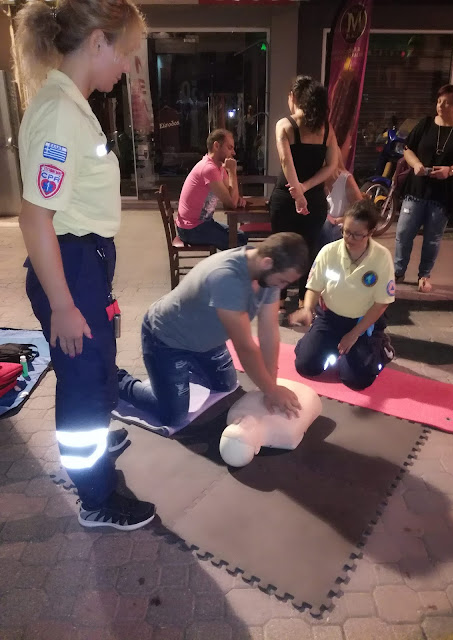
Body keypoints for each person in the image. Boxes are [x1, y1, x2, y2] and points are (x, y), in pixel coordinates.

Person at [15, 0, 155, 530]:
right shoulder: (60, 113)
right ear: (98, 42)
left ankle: (95, 437)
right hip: (71, 264)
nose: (127, 67)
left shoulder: (71, 105)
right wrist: (63, 305)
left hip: (82, 261)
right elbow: (35, 217)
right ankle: (96, 497)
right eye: (126, 53)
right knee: (82, 380)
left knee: (94, 369)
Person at [117, 233, 310, 425]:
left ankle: (183, 371)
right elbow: (245, 347)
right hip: (167, 340)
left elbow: (269, 333)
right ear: (267, 262)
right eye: (283, 281)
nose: (282, 287)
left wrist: (271, 385)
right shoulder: (227, 277)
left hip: (206, 341)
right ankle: (118, 381)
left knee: (226, 386)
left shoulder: (267, 274)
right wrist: (271, 391)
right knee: (173, 417)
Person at [291, 200, 396, 391]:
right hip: (330, 318)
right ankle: (319, 343)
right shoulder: (329, 251)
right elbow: (314, 287)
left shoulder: (382, 257)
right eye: (346, 231)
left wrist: (354, 334)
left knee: (356, 380)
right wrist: (307, 309)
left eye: (357, 234)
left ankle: (380, 346)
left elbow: (382, 303)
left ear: (370, 232)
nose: (349, 238)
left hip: (362, 323)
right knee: (306, 366)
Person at [394, 84, 453, 293]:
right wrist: (416, 165)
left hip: (444, 193)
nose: (441, 106)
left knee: (432, 238)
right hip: (417, 188)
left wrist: (450, 170)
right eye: (439, 101)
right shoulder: (425, 124)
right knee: (404, 231)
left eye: (447, 103)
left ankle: (424, 275)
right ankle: (398, 271)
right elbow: (407, 149)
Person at [270, 75, 338, 312]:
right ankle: (303, 300)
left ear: (294, 97)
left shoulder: (284, 125)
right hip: (315, 199)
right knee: (309, 248)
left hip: (285, 198)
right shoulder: (326, 129)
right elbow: (332, 166)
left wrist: (298, 193)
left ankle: (278, 299)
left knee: (281, 247)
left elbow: (285, 162)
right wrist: (306, 189)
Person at [175, 129, 247, 250]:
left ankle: (227, 259)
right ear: (216, 146)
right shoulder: (209, 169)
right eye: (229, 147)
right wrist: (232, 172)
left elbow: (230, 196)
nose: (233, 152)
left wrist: (237, 198)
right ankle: (225, 262)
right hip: (191, 229)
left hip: (203, 223)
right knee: (235, 243)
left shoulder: (218, 167)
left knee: (241, 237)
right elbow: (231, 203)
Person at [321, 146, 364, 245]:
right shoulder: (316, 180)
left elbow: (361, 211)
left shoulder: (345, 179)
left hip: (339, 229)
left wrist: (340, 220)